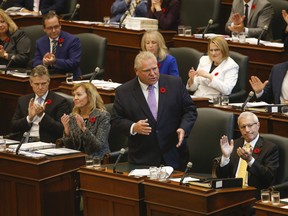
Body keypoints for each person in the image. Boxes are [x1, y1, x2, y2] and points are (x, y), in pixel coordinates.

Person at [111, 51, 197, 170]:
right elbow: (115, 120)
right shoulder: (124, 92)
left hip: (174, 156)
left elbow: (190, 110)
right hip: (142, 159)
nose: (153, 74)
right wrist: (133, 127)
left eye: (155, 68)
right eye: (147, 71)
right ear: (136, 71)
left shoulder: (174, 84)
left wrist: (183, 128)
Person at [216, 111, 279, 199]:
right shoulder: (234, 144)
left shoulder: (269, 148)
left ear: (258, 125)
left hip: (253, 195)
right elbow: (221, 176)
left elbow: (269, 177)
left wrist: (250, 160)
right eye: (243, 127)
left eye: (250, 125)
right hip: (231, 192)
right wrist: (225, 157)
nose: (247, 130)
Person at [10, 65, 71, 143]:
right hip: (24, 142)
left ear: (49, 82)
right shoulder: (23, 100)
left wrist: (42, 116)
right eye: (36, 84)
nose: (40, 87)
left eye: (43, 83)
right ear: (31, 83)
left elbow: (61, 130)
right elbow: (13, 127)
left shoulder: (59, 101)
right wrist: (29, 118)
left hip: (45, 144)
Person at [61, 83, 111, 157]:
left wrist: (84, 129)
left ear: (90, 96)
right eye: (74, 95)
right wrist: (67, 131)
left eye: (79, 95)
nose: (75, 98)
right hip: (77, 158)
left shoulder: (102, 116)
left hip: (97, 159)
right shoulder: (72, 116)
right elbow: (70, 147)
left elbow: (98, 146)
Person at [32, 11, 81, 80]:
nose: (54, 30)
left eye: (56, 27)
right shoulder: (40, 42)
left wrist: (55, 61)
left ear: (60, 25)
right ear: (44, 29)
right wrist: (44, 62)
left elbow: (74, 63)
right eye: (50, 28)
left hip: (67, 79)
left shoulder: (72, 40)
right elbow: (35, 63)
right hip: (47, 80)